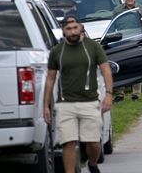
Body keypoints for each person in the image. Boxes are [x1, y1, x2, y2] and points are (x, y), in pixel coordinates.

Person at [43, 15, 112, 173]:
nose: (72, 31)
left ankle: (92, 164)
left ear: (81, 28)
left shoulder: (93, 47)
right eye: (68, 29)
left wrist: (108, 94)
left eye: (75, 28)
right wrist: (45, 105)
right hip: (65, 104)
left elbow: (106, 69)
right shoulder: (57, 51)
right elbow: (50, 78)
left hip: (89, 102)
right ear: (63, 31)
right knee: (69, 142)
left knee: (93, 142)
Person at [112, 0, 142, 101]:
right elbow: (112, 26)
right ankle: (119, 94)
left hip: (137, 41)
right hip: (122, 42)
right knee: (121, 67)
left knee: (136, 67)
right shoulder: (118, 10)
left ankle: (136, 94)